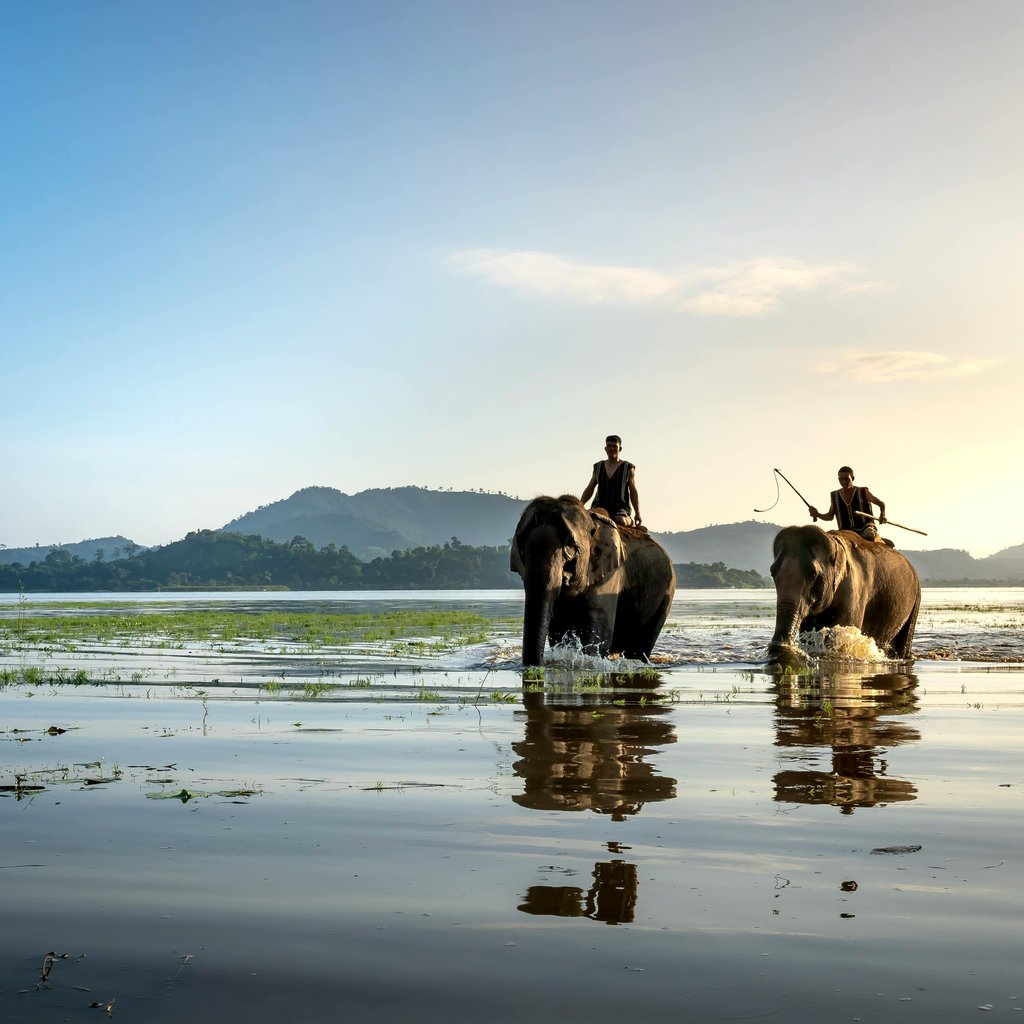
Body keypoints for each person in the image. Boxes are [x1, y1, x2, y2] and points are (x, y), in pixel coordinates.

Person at [809, 466, 887, 538]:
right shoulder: (835, 496)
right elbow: (830, 516)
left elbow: (881, 503)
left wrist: (882, 515)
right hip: (845, 532)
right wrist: (817, 514)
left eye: (847, 479)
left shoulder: (863, 492)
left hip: (865, 528)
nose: (844, 482)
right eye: (841, 479)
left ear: (852, 478)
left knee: (868, 534)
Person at [581, 435, 641, 527]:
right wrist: (580, 504)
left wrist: (638, 513)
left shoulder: (628, 468)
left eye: (614, 446)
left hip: (620, 508)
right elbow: (590, 488)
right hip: (599, 506)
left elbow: (633, 491)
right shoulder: (598, 467)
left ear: (620, 449)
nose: (611, 448)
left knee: (620, 520)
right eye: (609, 446)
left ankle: (630, 522)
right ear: (605, 448)